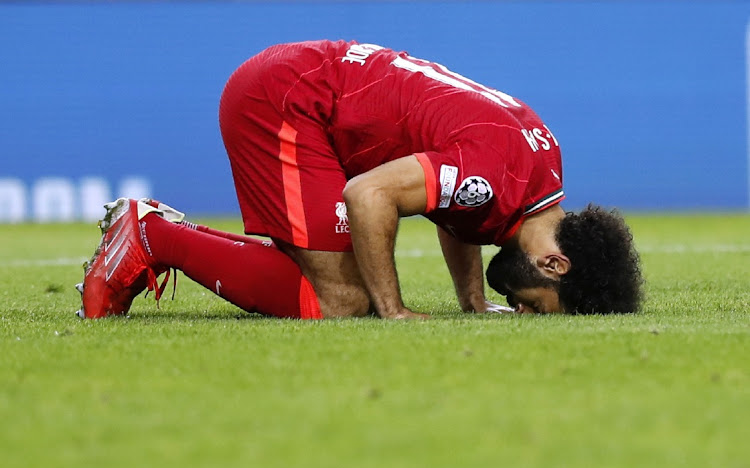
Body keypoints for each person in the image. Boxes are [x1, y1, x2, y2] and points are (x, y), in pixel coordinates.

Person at [75, 40, 643, 320]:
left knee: (331, 278)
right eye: (539, 307)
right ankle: (151, 236)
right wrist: (392, 310)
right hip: (288, 101)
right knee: (344, 300)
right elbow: (368, 193)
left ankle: (159, 236)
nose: (523, 311)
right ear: (555, 265)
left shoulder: (538, 168)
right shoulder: (497, 179)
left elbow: (461, 207)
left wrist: (472, 300)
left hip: (309, 88)